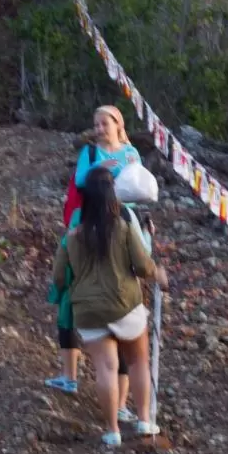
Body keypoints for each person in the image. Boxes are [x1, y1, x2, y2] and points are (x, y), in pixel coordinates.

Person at [46, 104, 150, 423]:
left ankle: (117, 416)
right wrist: (104, 178)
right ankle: (119, 407)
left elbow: (140, 185)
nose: (100, 128)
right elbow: (81, 181)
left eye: (104, 123)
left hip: (125, 220)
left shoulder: (132, 152)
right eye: (96, 124)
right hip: (93, 221)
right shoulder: (90, 154)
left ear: (118, 124)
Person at [52, 168, 168, 446]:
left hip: (88, 311)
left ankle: (112, 430)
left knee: (105, 368)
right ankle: (142, 420)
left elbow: (58, 278)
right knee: (138, 361)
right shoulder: (123, 227)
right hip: (125, 304)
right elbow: (142, 265)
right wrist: (159, 274)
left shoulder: (72, 236)